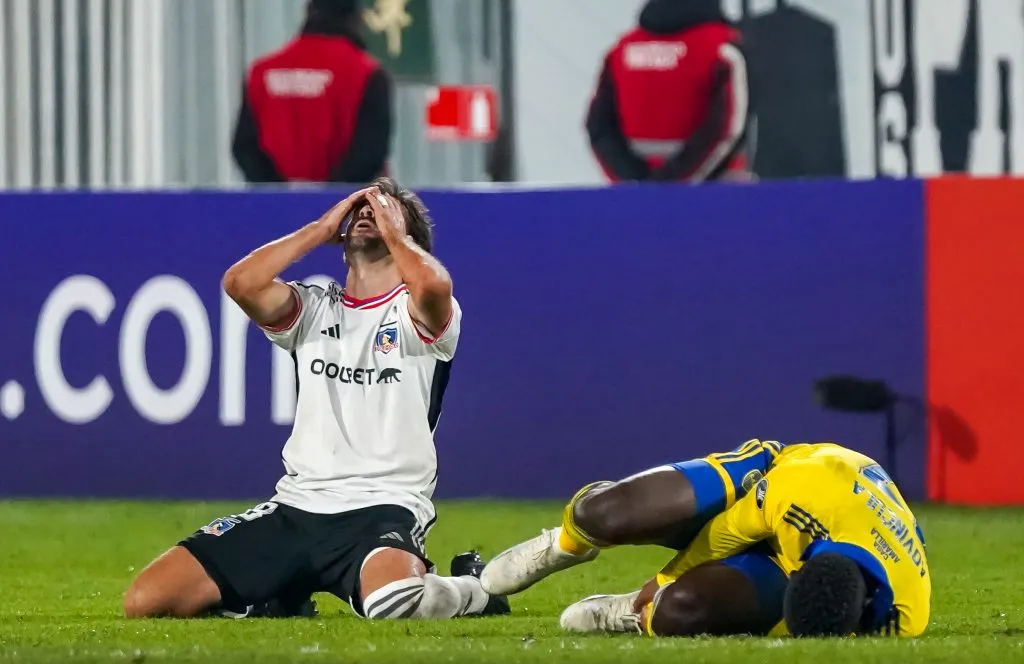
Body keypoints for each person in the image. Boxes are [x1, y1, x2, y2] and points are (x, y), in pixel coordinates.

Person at [124, 177, 509, 622]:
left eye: (385, 208)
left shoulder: (414, 312)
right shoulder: (313, 310)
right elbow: (240, 282)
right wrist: (319, 230)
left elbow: (435, 286)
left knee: (393, 603)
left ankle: (472, 590)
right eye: (361, 209)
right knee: (147, 600)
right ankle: (276, 598)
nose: (369, 211)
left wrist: (397, 236)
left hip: (382, 508)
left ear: (409, 238)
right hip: (297, 507)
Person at [482, 441, 931, 638]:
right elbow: (728, 531)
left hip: (801, 555)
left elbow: (813, 629)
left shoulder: (910, 611)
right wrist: (662, 579)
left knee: (679, 614)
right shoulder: (803, 493)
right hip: (766, 483)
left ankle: (636, 617)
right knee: (607, 512)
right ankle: (565, 543)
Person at [586, 0, 754, 183]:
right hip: (715, 193)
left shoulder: (622, 50)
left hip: (639, 195)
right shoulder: (723, 49)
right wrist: (672, 182)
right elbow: (726, 128)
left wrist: (632, 180)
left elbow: (599, 126)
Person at [232, 0, 392, 184]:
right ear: (357, 18)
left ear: (308, 12)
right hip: (344, 208)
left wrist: (278, 192)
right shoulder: (366, 74)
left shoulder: (262, 73)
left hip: (274, 208)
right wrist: (329, 199)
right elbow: (369, 154)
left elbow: (244, 147)